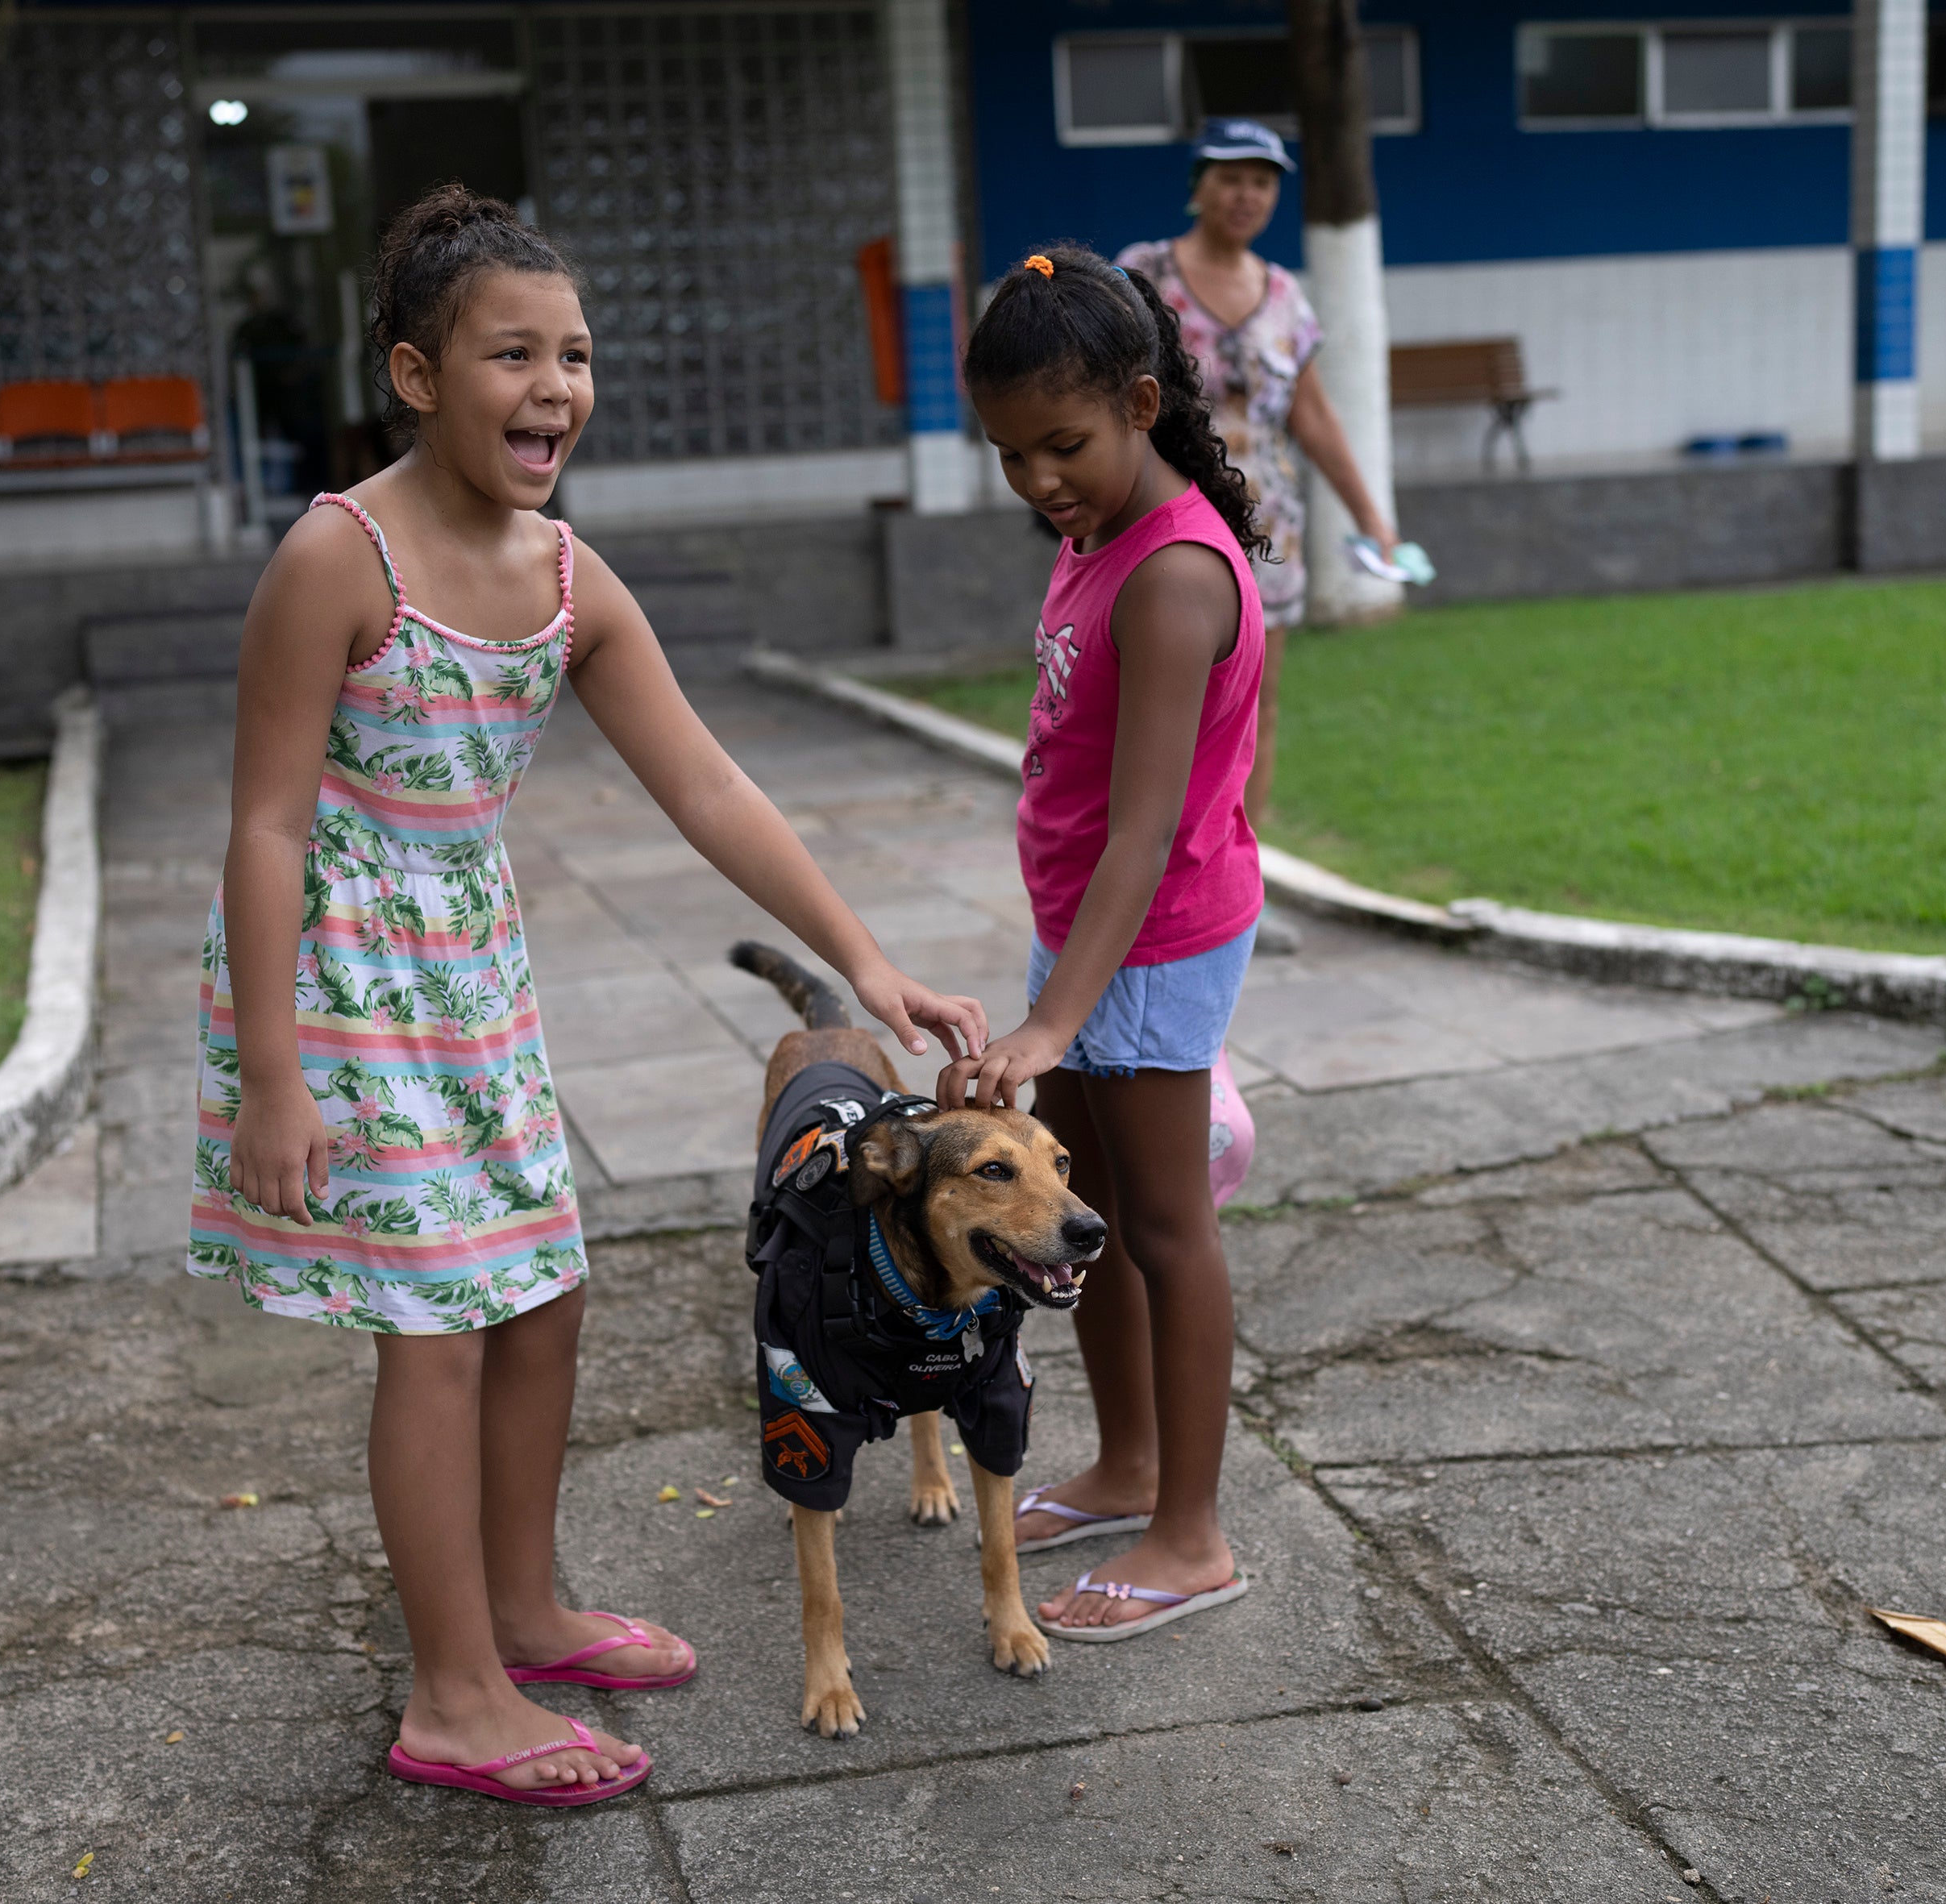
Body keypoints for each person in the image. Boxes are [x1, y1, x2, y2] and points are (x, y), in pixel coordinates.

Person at [188, 187, 988, 1802]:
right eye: (510, 353)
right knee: (435, 1329)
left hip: (471, 986)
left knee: (542, 1293)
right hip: (345, 994)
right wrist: (272, 1072)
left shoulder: (565, 574)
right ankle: (451, 1691)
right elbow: (265, 821)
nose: (553, 385)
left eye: (573, 353)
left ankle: (523, 1599)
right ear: (416, 373)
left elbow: (704, 785)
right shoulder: (333, 554)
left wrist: (868, 950)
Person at [939, 246, 1263, 1640]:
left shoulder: (1170, 576)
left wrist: (1053, 1021)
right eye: (1011, 455)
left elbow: (1147, 832)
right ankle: (1131, 1462)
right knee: (1094, 1226)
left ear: (1141, 401)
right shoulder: (1096, 539)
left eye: (1063, 446)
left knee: (1168, 1231)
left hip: (1140, 945)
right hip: (1090, 940)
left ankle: (1193, 1535)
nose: (1039, 480)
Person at [1117, 116, 1399, 824]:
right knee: (1142, 701)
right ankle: (1138, 871)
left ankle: (1237, 877)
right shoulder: (1144, 276)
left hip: (1264, 533)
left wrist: (1371, 518)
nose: (1246, 195)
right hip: (1158, 527)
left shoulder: (1285, 298)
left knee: (1252, 704)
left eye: (1262, 182)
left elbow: (1314, 418)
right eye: (1231, 178)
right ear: (1198, 187)